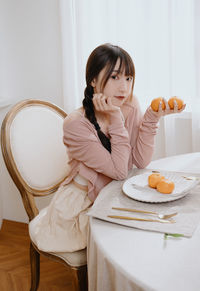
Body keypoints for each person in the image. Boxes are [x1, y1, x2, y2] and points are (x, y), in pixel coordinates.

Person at [29, 43, 186, 253]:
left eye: (128, 78)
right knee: (129, 245)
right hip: (82, 205)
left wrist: (151, 118)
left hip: (115, 193)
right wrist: (115, 117)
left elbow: (140, 161)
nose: (124, 87)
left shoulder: (129, 104)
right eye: (115, 77)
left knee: (160, 232)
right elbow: (120, 171)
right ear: (93, 80)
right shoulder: (76, 123)